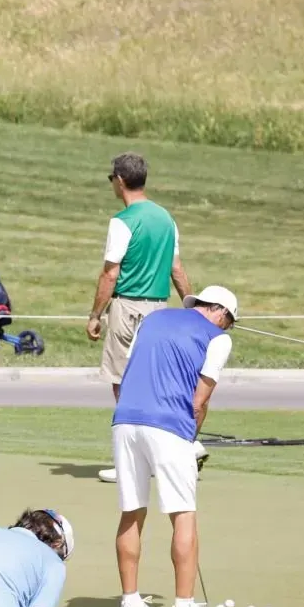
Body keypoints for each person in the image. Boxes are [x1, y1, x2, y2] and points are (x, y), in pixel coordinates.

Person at [108, 286, 238, 607]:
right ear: (221, 313)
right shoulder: (219, 339)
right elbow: (200, 400)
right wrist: (191, 438)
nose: (227, 330)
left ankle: (130, 605)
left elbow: (129, 370)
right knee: (183, 515)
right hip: (169, 428)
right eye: (229, 323)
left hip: (124, 421)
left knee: (132, 511)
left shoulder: (152, 319)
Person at [86, 152, 191, 484]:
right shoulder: (166, 219)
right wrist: (192, 307)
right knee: (153, 384)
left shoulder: (123, 221)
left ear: (119, 180)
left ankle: (130, 463)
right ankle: (163, 454)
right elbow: (176, 269)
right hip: (159, 311)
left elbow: (110, 274)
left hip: (128, 310)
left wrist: (95, 315)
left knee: (123, 385)